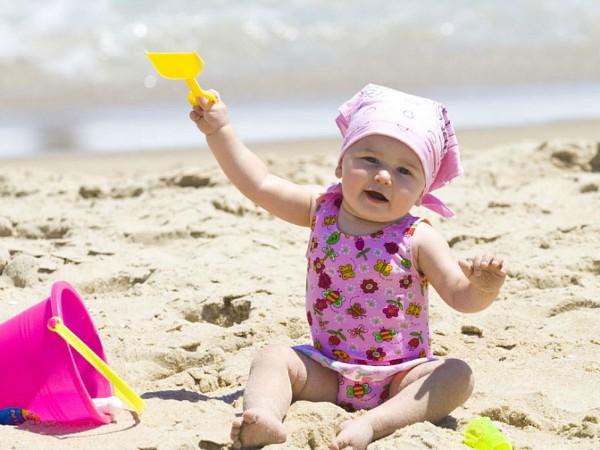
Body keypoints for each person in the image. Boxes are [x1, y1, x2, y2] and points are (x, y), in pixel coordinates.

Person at [189, 84, 508, 450]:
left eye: (405, 170)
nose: (384, 176)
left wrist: (483, 286)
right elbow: (259, 184)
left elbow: (460, 296)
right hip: (326, 370)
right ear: (341, 163)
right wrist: (219, 131)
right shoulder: (320, 208)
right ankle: (264, 417)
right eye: (370, 160)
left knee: (456, 375)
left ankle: (374, 424)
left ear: (422, 192)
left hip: (400, 377)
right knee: (273, 357)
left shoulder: (418, 237)